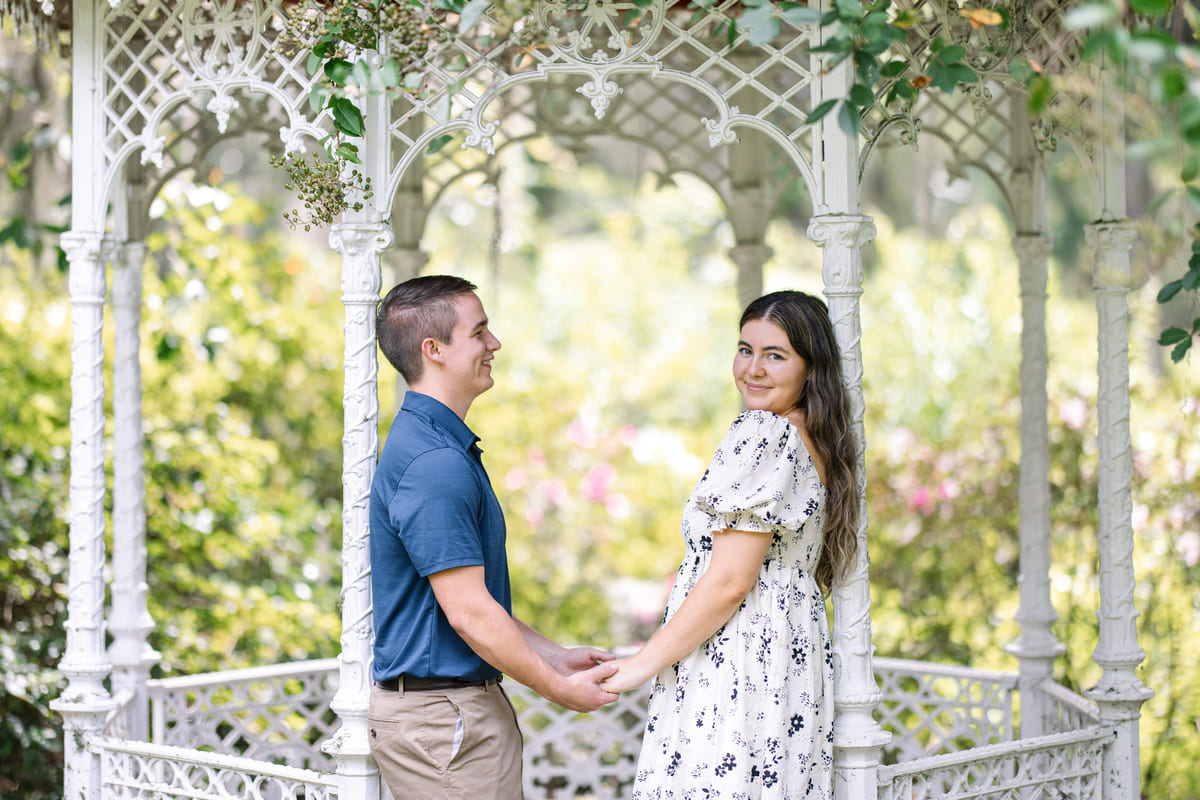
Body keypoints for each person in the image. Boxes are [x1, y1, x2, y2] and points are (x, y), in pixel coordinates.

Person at [601, 290, 860, 799]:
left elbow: (727, 581)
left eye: (775, 355)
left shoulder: (763, 432)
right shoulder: (814, 436)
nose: (753, 369)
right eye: (745, 350)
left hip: (738, 659)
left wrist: (638, 666)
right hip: (788, 658)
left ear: (812, 368)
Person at [368, 274, 618, 800]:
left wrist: (555, 656)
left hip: (454, 715)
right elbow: (469, 613)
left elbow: (467, 603)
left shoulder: (440, 446)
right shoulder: (435, 463)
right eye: (479, 332)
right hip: (445, 721)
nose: (494, 344)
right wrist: (559, 690)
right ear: (433, 350)